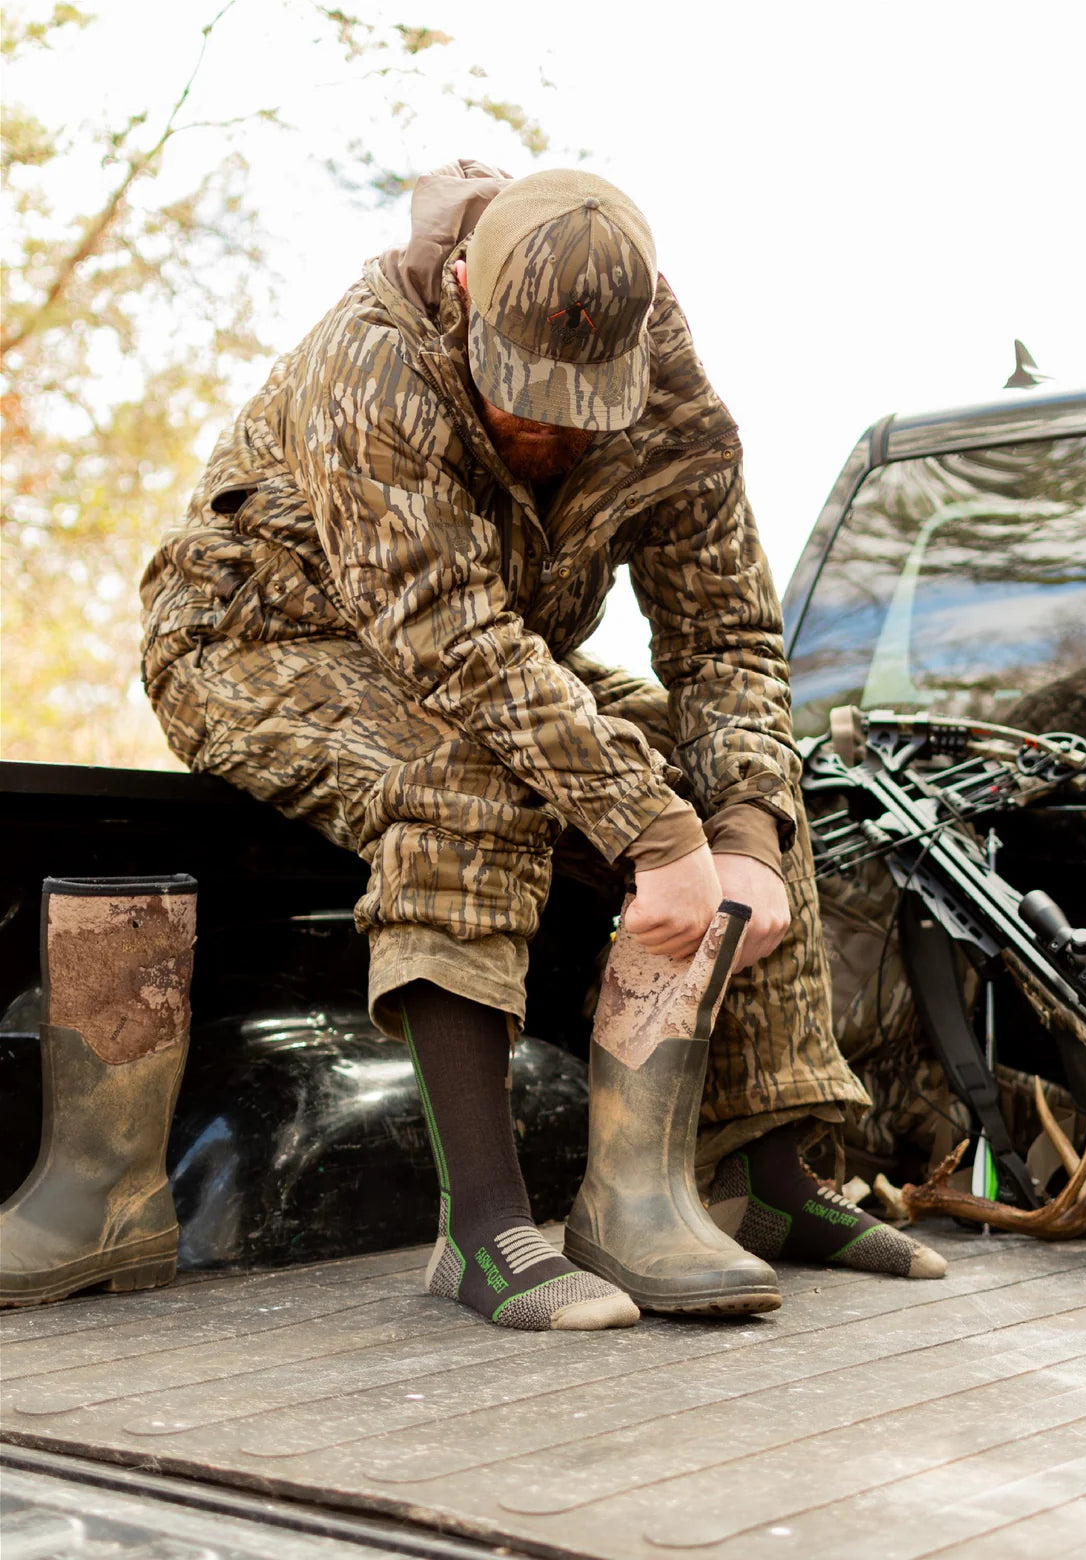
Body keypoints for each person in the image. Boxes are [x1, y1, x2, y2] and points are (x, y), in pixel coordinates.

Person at [139, 160, 944, 1332]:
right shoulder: (370, 362)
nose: (548, 420)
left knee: (735, 775)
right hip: (258, 640)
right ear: (464, 286)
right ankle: (485, 1231)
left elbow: (725, 639)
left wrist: (742, 836)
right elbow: (447, 639)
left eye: (581, 397)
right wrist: (652, 831)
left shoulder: (674, 399)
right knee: (461, 773)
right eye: (521, 388)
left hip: (486, 646)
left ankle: (762, 1177)